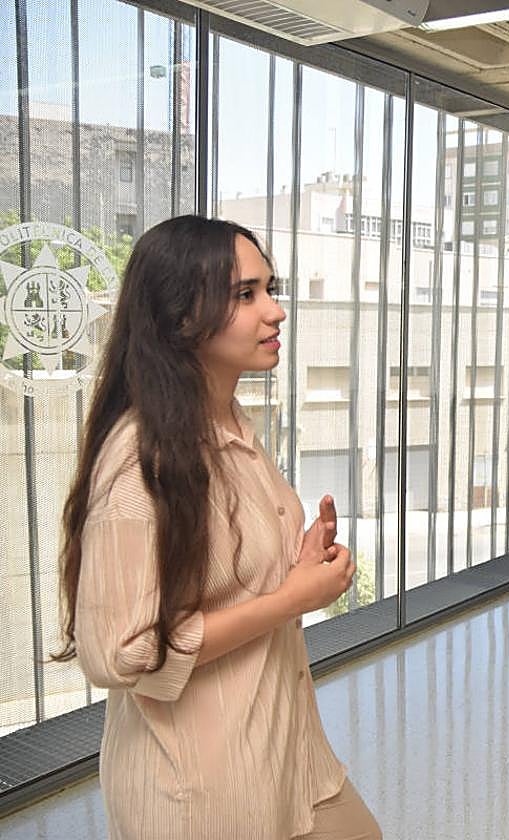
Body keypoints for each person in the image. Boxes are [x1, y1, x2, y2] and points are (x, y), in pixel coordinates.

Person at [53, 215, 382, 840]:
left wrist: (300, 565)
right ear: (181, 318)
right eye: (246, 295)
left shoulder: (230, 426)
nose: (276, 312)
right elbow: (122, 653)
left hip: (288, 753)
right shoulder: (137, 461)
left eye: (269, 288)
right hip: (202, 788)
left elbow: (229, 578)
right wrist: (292, 598)